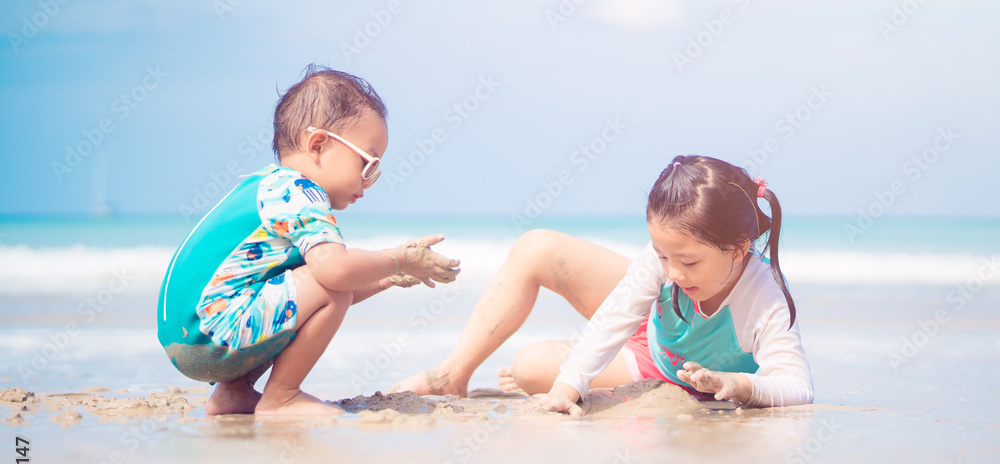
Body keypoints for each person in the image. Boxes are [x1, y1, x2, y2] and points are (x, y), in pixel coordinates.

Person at [392, 155, 813, 413]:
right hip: (655, 331)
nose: (671, 273)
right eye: (661, 254)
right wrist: (567, 387)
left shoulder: (765, 298)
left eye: (687, 261)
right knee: (537, 247)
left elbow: (797, 387)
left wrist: (738, 385)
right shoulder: (666, 263)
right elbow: (616, 315)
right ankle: (452, 374)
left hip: (670, 372)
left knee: (528, 368)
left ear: (739, 248)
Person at [157, 65, 460, 417]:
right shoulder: (300, 192)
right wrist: (400, 258)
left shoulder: (268, 188)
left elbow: (314, 294)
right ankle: (281, 397)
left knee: (314, 281)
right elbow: (335, 278)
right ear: (317, 144)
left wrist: (387, 278)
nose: (370, 181)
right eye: (368, 164)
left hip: (190, 336)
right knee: (333, 275)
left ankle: (232, 394)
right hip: (214, 333)